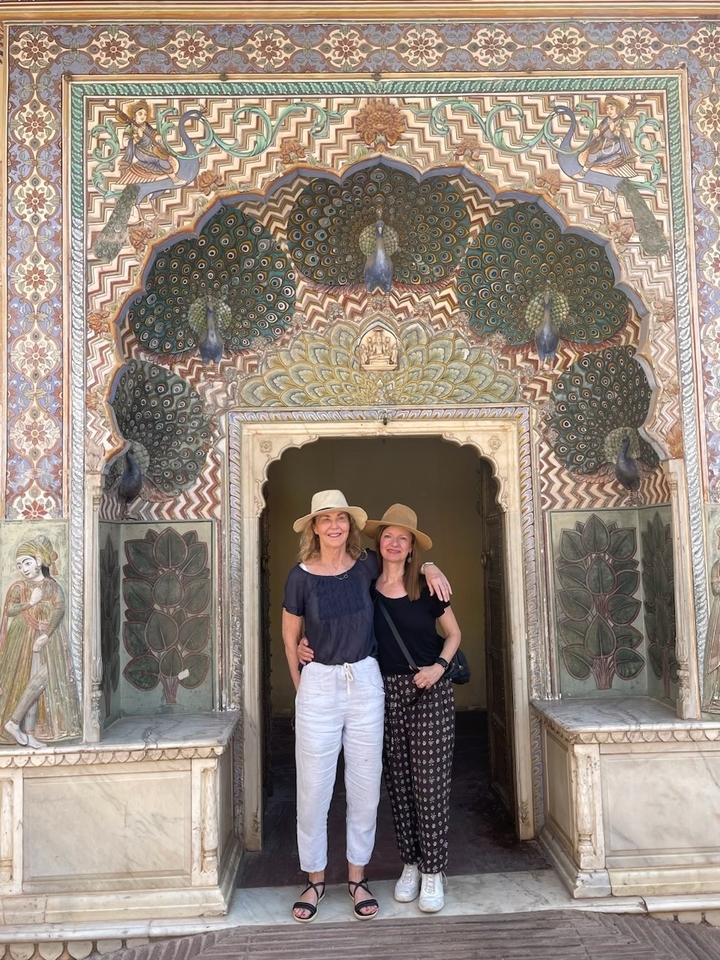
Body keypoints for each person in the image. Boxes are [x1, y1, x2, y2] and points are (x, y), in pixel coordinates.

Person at [283, 490, 449, 922]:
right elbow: (289, 637)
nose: (334, 526)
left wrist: (430, 563)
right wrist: (302, 682)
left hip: (366, 682)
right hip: (319, 683)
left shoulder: (366, 566)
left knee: (364, 786)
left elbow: (404, 559)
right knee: (314, 789)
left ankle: (358, 878)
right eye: (326, 519)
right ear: (315, 528)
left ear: (350, 527)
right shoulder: (299, 576)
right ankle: (315, 880)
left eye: (341, 518)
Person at [364, 503, 461, 913]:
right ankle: (411, 864)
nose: (394, 542)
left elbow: (454, 634)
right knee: (400, 785)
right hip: (383, 692)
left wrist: (438, 668)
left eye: (403, 538)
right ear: (379, 542)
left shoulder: (427, 587)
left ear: (410, 548)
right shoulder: (365, 586)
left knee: (429, 784)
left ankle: (434, 872)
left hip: (430, 691)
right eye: (388, 535)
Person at [0, 536, 82, 748]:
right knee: (32, 681)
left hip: (46, 639)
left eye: (27, 562)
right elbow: (9, 610)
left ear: (38, 561)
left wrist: (46, 635)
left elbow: (59, 609)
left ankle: (19, 726)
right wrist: (31, 602)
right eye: (19, 565)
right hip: (22, 638)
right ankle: (20, 727)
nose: (23, 568)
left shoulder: (52, 586)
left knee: (41, 680)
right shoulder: (19, 587)